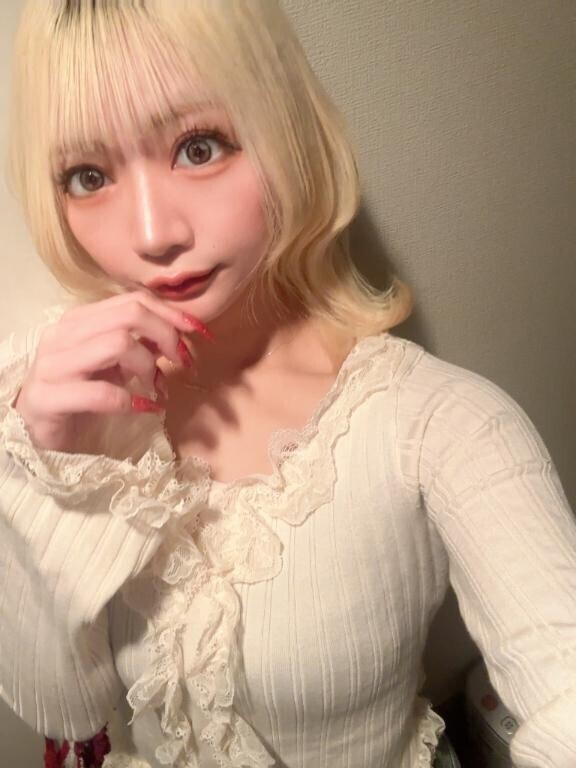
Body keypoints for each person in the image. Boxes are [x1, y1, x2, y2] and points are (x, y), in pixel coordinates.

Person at [0, 2, 575, 767]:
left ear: (285, 132)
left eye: (199, 147)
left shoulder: (438, 424)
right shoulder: (48, 394)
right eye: (89, 176)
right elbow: (64, 710)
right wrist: (50, 470)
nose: (152, 234)